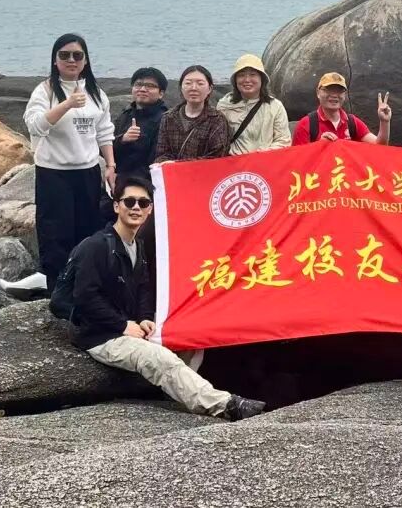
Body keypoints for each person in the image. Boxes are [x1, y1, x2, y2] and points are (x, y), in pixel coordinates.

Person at [71, 176, 265, 420]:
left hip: (129, 327)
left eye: (143, 203)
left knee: (191, 339)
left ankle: (178, 394)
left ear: (150, 209)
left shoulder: (137, 245)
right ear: (116, 206)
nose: (136, 208)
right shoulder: (96, 246)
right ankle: (224, 405)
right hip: (102, 335)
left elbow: (143, 289)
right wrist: (122, 325)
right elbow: (85, 297)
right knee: (156, 356)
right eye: (129, 201)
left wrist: (144, 318)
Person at [23, 33, 115, 293]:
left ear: (85, 61)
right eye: (64, 55)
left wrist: (110, 166)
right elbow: (35, 126)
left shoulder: (96, 93)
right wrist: (67, 104)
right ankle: (56, 286)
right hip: (54, 172)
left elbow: (104, 132)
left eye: (77, 55)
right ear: (55, 60)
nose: (71, 60)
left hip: (87, 171)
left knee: (88, 229)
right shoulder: (45, 90)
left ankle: (84, 282)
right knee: (55, 232)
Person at [154, 66, 230, 163]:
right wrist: (165, 161)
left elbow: (217, 157)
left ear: (210, 89)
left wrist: (179, 164)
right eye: (188, 83)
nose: (194, 88)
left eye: (200, 83)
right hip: (172, 171)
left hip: (204, 172)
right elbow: (162, 152)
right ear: (181, 88)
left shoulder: (217, 119)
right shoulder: (168, 117)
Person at [217, 54, 290, 154]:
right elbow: (218, 142)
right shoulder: (224, 106)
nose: (247, 80)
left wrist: (259, 155)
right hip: (234, 162)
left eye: (252, 74)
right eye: (241, 75)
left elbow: (283, 141)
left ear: (262, 79)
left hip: (264, 161)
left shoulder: (275, 107)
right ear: (235, 81)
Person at [291, 72, 392, 145]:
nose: (334, 95)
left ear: (345, 95)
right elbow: (297, 160)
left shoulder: (352, 122)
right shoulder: (306, 125)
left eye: (339, 91)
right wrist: (320, 145)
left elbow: (379, 145)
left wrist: (385, 121)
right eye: (328, 90)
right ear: (318, 92)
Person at [112, 67, 169, 178]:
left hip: (147, 180)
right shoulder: (125, 115)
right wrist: (123, 139)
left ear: (161, 93)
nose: (142, 89)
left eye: (150, 86)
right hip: (117, 175)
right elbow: (106, 148)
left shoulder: (165, 119)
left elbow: (157, 159)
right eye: (138, 85)